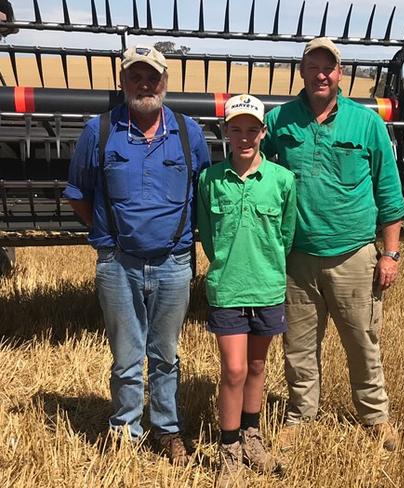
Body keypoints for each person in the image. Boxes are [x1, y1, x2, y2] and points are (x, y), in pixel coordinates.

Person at [63, 45, 210, 464]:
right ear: (122, 81)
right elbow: (78, 194)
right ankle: (124, 429)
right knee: (126, 357)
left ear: (165, 82)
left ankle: (166, 429)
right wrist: (108, 236)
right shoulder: (101, 130)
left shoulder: (187, 132)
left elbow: (202, 191)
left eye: (152, 77)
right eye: (136, 76)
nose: (144, 84)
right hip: (118, 264)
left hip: (174, 263)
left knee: (166, 355)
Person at [262, 37, 404, 451]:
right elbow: (256, 167)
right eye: (313, 66)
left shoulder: (366, 124)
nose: (321, 74)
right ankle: (300, 415)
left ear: (340, 74)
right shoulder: (279, 122)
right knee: (299, 347)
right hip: (297, 258)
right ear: (302, 72)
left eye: (329, 67)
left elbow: (389, 194)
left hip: (354, 255)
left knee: (363, 342)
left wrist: (390, 253)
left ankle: (375, 417)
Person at [197, 95, 296, 477]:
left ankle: (252, 437)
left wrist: (266, 267)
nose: (244, 137)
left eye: (252, 129)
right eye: (236, 129)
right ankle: (229, 450)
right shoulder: (210, 179)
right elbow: (207, 235)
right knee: (234, 369)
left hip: (268, 287)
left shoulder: (282, 180)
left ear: (263, 133)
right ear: (225, 132)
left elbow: (286, 235)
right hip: (227, 288)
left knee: (257, 366)